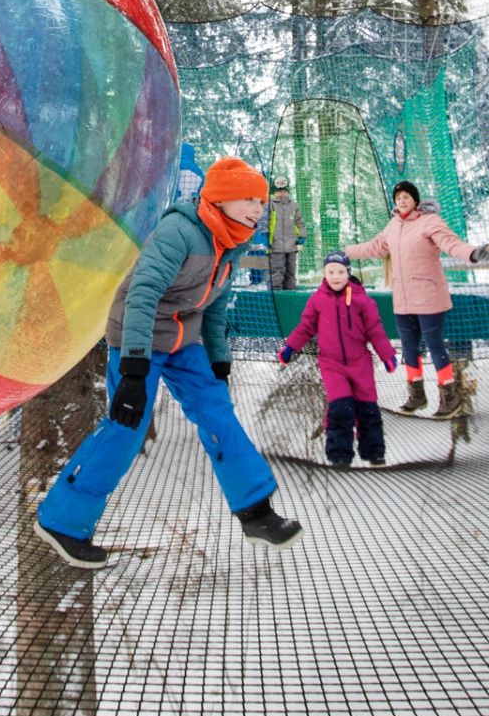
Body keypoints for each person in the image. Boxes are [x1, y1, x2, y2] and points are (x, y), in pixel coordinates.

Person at [33, 157, 303, 570]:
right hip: (139, 338)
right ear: (223, 198)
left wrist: (218, 359)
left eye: (260, 200)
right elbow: (142, 295)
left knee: (219, 414)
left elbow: (215, 308)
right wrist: (134, 370)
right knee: (127, 426)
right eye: (249, 198)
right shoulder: (180, 231)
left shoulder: (234, 240)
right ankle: (63, 522)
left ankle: (256, 512)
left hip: (184, 339)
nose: (258, 208)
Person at [345, 181, 489, 418]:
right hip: (403, 299)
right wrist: (347, 252)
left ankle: (450, 397)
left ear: (415, 199)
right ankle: (417, 396)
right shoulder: (394, 225)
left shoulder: (430, 222)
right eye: (398, 198)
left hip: (428, 296)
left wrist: (472, 253)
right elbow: (376, 247)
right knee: (409, 349)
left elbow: (451, 243)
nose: (402, 201)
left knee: (435, 346)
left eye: (406, 197)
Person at [278, 251, 396, 467]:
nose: (335, 276)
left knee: (367, 407)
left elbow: (375, 331)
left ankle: (374, 452)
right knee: (340, 406)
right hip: (332, 364)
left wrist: (387, 355)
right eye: (331, 272)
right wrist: (290, 347)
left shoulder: (363, 301)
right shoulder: (318, 300)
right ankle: (339, 453)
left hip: (360, 363)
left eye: (340, 272)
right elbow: (306, 327)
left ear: (348, 273)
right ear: (324, 274)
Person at [264, 178, 307, 290]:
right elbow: (264, 221)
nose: (282, 193)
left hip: (291, 245)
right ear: (273, 192)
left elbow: (299, 221)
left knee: (291, 272)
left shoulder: (293, 206)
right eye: (279, 191)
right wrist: (264, 235)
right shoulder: (269, 205)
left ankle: (290, 292)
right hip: (275, 245)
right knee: (277, 271)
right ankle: (276, 294)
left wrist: (302, 234)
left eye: (284, 190)